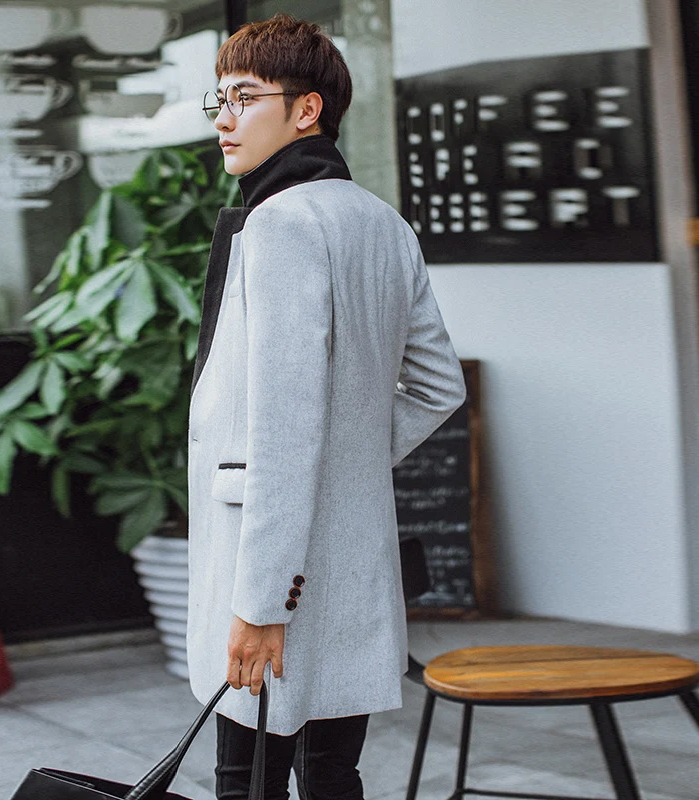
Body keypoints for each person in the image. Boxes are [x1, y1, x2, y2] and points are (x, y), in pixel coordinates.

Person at [187, 14, 466, 800]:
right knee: (333, 772)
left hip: (268, 558)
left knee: (246, 782)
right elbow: (439, 385)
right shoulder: (383, 222)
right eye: (219, 100)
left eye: (245, 97)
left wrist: (260, 604)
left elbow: (283, 426)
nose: (224, 120)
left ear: (307, 109)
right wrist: (346, 459)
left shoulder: (279, 224)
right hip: (346, 547)